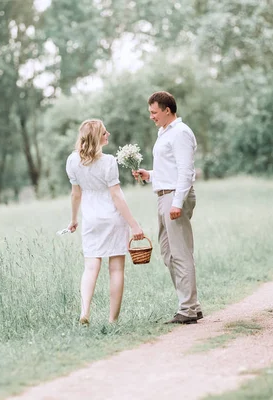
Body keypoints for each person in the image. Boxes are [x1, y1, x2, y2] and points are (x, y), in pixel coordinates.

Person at [66, 119, 145, 325]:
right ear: (96, 138)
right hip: (112, 217)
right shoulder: (108, 161)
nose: (108, 134)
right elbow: (116, 196)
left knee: (90, 267)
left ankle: (84, 312)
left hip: (90, 218)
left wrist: (74, 219)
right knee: (116, 269)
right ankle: (112, 320)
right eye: (104, 132)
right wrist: (134, 224)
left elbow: (76, 195)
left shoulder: (72, 161)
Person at [133, 91, 202, 325]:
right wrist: (149, 175)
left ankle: (188, 309)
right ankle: (191, 304)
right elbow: (168, 170)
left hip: (175, 197)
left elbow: (185, 171)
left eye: (154, 112)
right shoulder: (163, 133)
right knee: (168, 253)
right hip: (164, 195)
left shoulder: (181, 133)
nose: (151, 116)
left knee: (180, 253)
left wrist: (177, 202)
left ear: (167, 110)